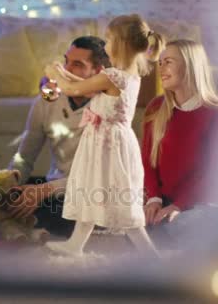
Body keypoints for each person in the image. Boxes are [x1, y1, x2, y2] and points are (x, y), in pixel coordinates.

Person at [44, 14, 164, 256]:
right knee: (91, 188)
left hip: (106, 144)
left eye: (108, 40)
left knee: (116, 197)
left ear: (120, 44)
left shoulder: (113, 76)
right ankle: (75, 244)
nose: (105, 45)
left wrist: (53, 73)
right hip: (107, 141)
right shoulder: (127, 76)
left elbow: (74, 89)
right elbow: (82, 84)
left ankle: (149, 252)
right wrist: (65, 74)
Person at [7, 36, 111, 237]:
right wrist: (10, 184)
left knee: (76, 213)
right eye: (66, 61)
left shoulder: (109, 108)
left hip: (91, 194)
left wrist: (45, 190)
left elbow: (100, 178)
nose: (65, 69)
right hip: (54, 191)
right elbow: (25, 156)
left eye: (77, 65)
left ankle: (37, 223)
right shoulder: (46, 101)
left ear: (98, 72)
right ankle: (31, 218)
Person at [141, 40, 218, 250]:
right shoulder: (156, 108)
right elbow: (147, 159)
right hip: (164, 199)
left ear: (190, 66)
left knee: (169, 233)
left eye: (169, 62)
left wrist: (179, 206)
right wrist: (153, 199)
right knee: (135, 231)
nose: (161, 69)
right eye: (160, 63)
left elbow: (215, 172)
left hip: (203, 202)